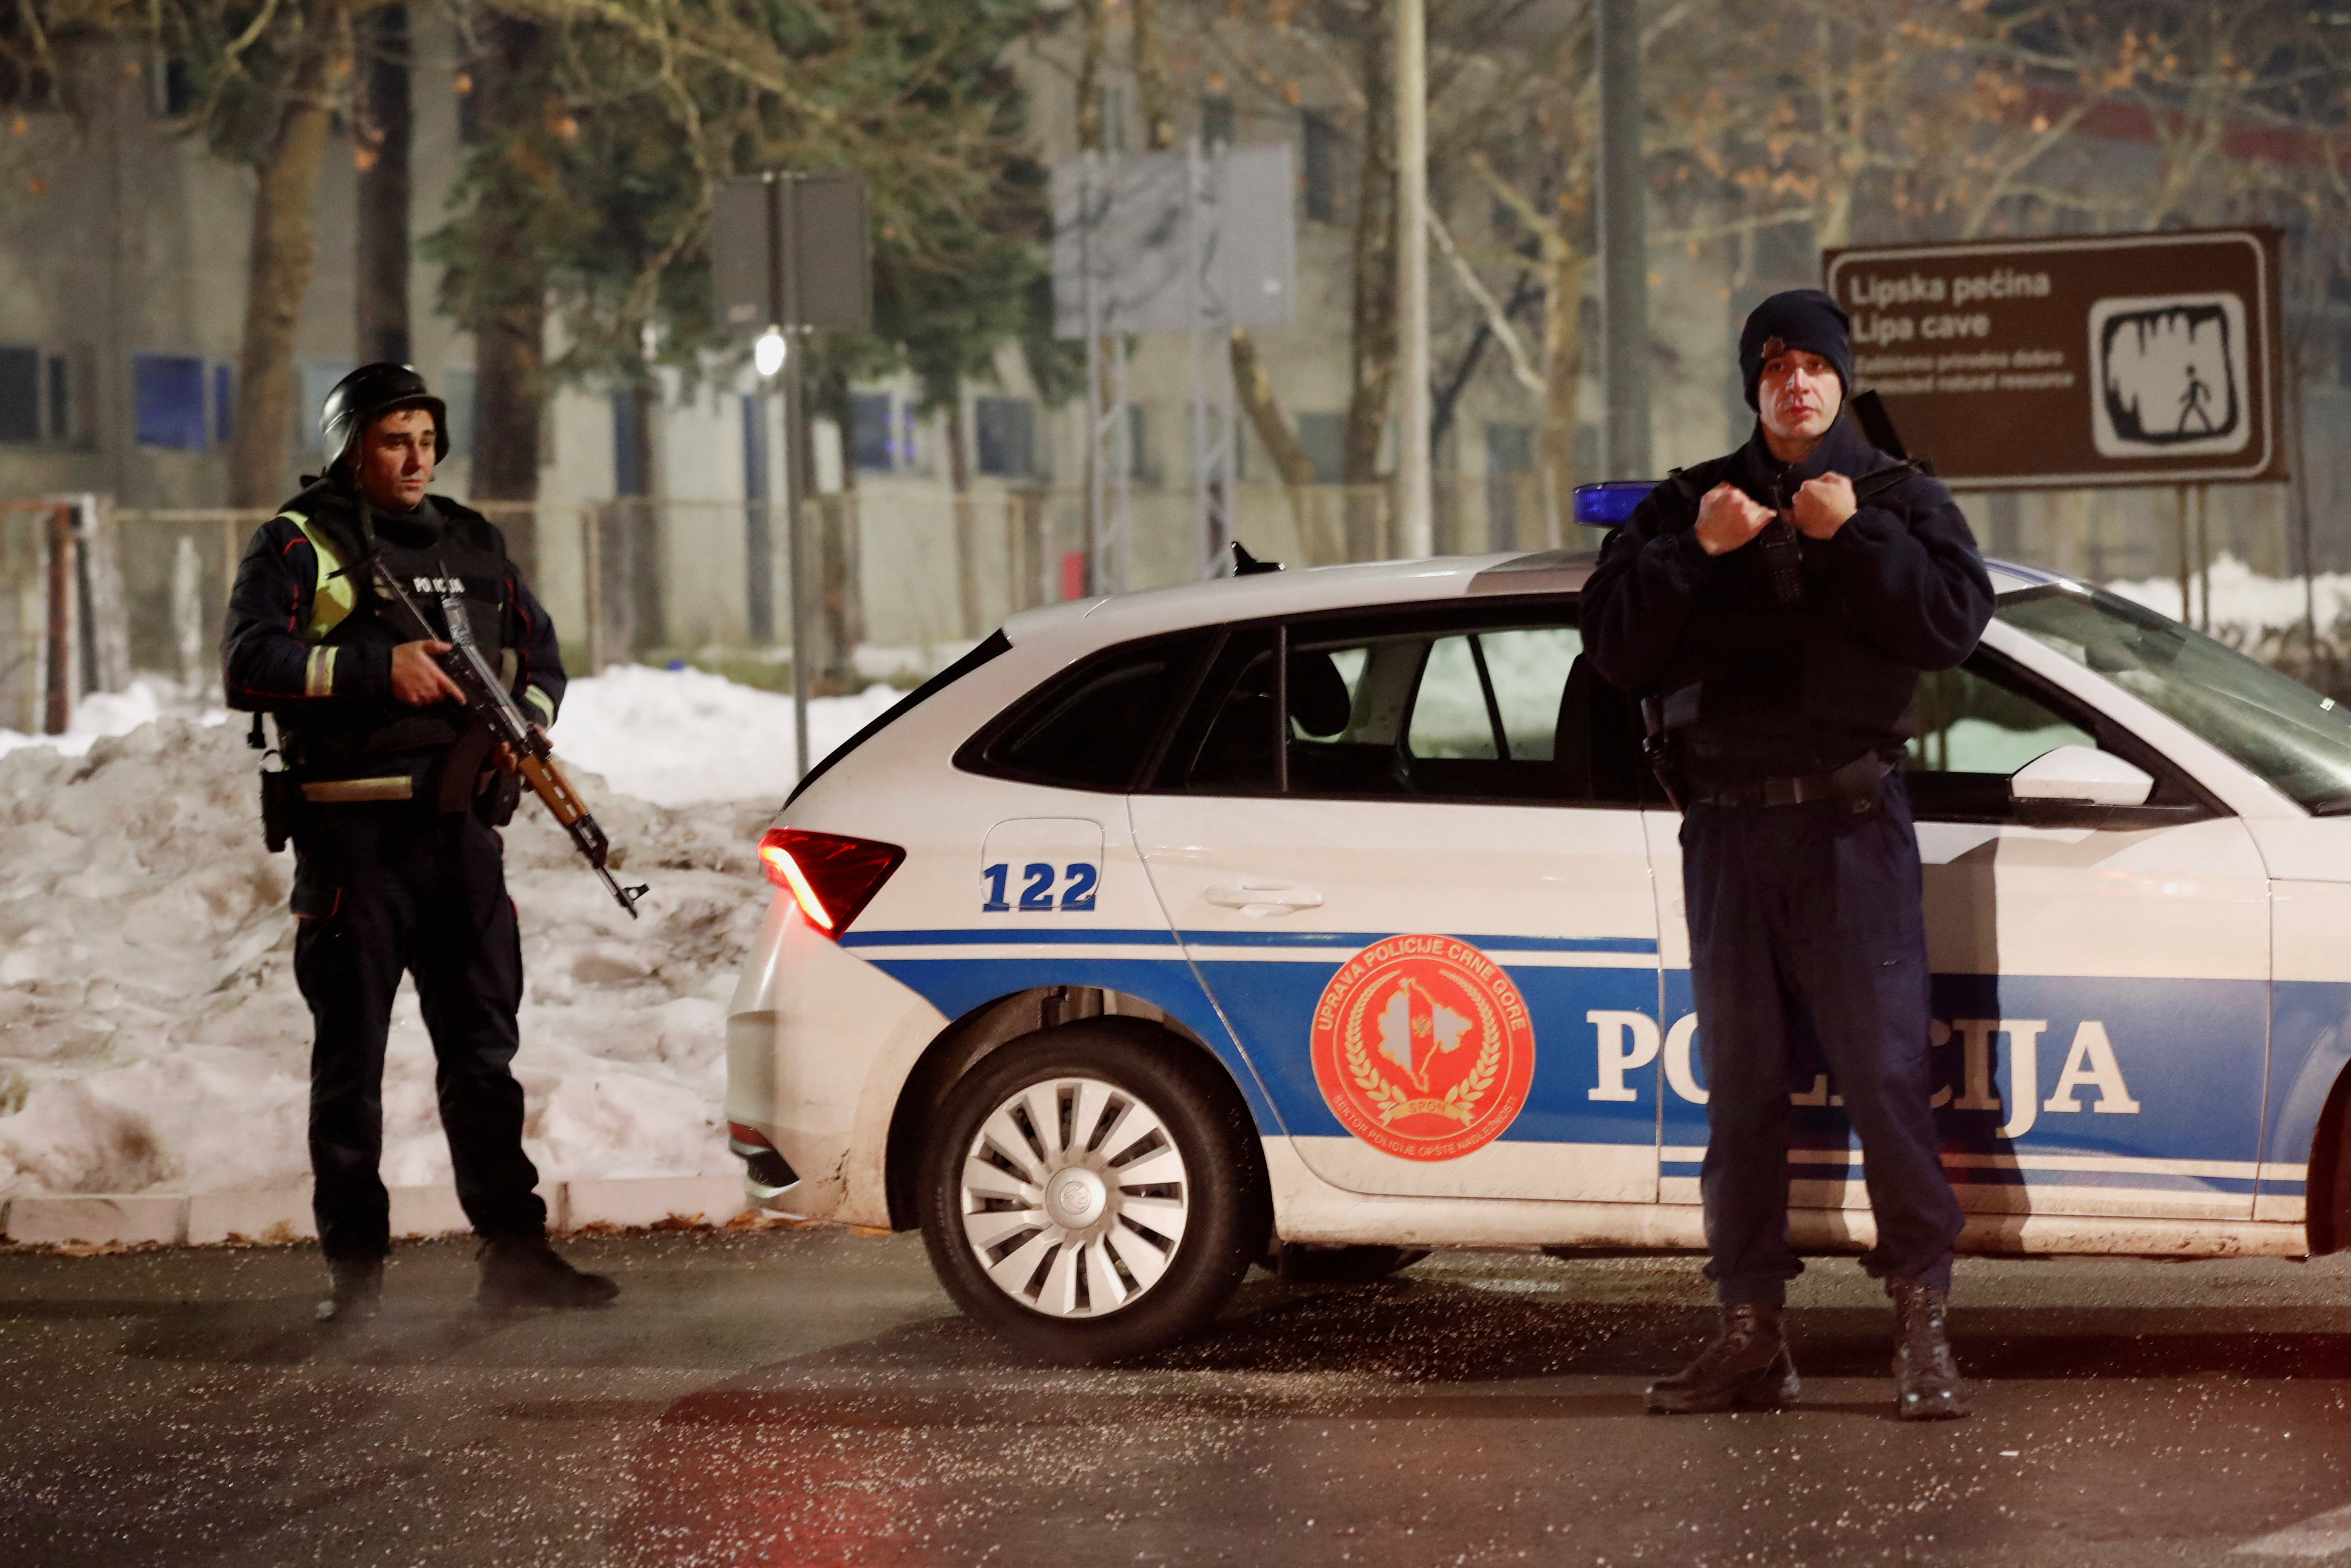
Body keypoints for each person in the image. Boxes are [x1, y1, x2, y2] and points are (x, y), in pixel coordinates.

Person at [1580, 290, 1992, 1421]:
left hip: (1850, 834)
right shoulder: (1687, 506)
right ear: (1751, 384)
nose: (1796, 384)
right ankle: (1750, 1335)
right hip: (1724, 833)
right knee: (1744, 1095)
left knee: (1884, 1084)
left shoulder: (1898, 501)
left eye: (1815, 366)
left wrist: (1845, 535)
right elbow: (1611, 645)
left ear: (1844, 380)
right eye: (1775, 366)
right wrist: (1699, 555)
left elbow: (1952, 626)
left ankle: (1921, 1326)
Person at [224, 363, 620, 1322]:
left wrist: (517, 720)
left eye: (427, 440)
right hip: (354, 845)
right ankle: (354, 1283)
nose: (416, 459)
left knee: (484, 1056)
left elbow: (542, 657)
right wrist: (375, 669)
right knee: (351, 1063)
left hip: (460, 845)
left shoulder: (473, 540)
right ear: (350, 446)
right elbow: (247, 661)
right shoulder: (299, 543)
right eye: (394, 440)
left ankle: (517, 1260)